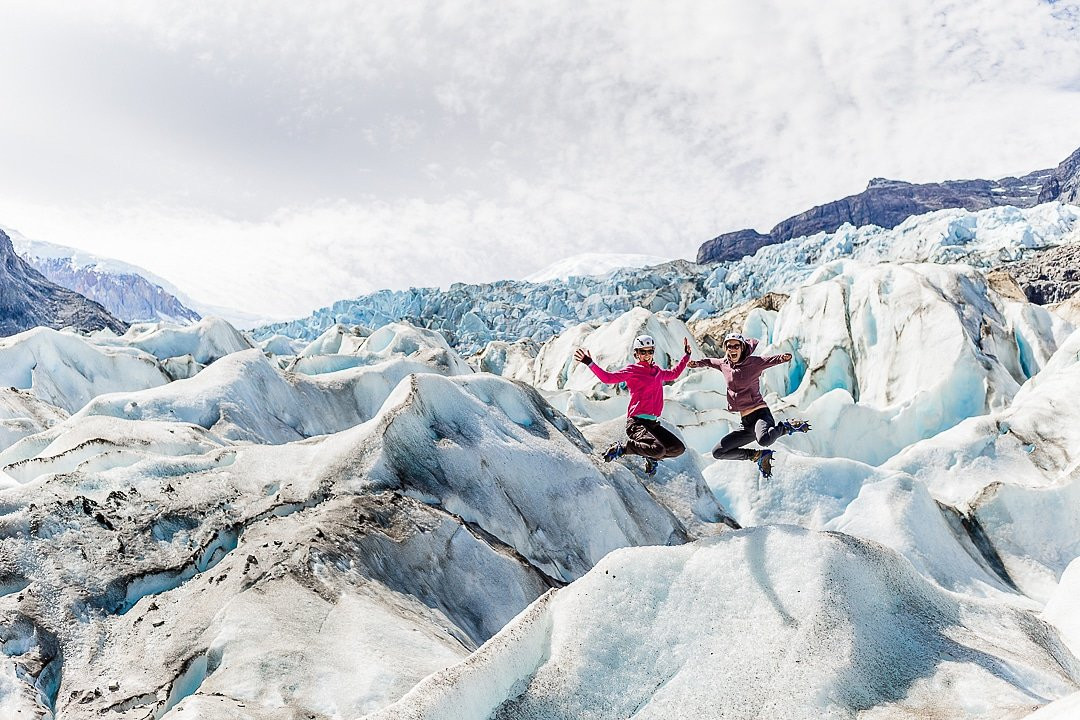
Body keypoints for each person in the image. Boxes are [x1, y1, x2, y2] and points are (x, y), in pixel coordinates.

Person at [689, 332, 810, 478]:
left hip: (761, 414)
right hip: (746, 424)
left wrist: (782, 358)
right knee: (718, 452)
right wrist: (697, 363)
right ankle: (757, 456)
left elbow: (768, 360)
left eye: (735, 346)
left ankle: (786, 427)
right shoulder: (724, 364)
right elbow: (710, 362)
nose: (732, 349)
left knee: (764, 439)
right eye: (729, 346)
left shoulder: (753, 363)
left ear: (742, 347)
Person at [573, 334, 691, 476]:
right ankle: (622, 448)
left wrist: (686, 356)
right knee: (658, 449)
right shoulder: (633, 371)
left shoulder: (657, 371)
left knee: (678, 448)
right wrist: (589, 362)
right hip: (637, 423)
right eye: (643, 351)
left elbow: (673, 374)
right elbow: (608, 378)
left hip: (653, 424)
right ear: (636, 353)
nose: (647, 355)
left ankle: (651, 457)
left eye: (650, 351)